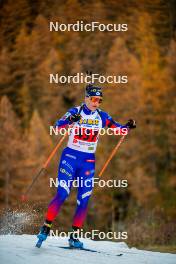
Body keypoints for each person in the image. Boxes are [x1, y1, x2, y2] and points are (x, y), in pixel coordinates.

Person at [37, 84, 136, 248]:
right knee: (62, 193)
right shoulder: (75, 112)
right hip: (70, 157)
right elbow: (57, 126)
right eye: (94, 99)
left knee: (84, 199)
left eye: (99, 100)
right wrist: (70, 121)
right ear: (86, 98)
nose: (96, 103)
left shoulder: (102, 116)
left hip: (88, 161)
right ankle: (46, 227)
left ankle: (74, 236)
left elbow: (118, 129)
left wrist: (127, 127)